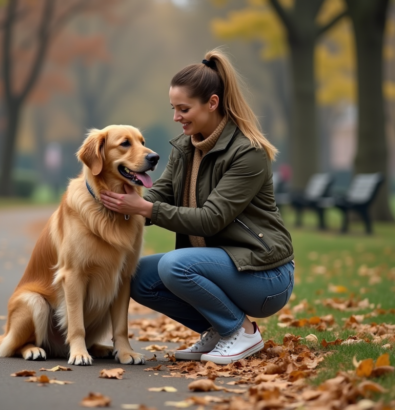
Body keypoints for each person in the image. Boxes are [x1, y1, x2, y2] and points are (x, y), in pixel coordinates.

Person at [100, 49, 294, 365]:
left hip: (266, 275)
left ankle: (241, 332)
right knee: (138, 278)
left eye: (183, 109)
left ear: (212, 103)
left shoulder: (248, 153)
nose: (176, 117)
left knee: (175, 265)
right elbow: (159, 192)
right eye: (173, 109)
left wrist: (145, 210)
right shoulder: (186, 147)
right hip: (224, 265)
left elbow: (211, 220)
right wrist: (117, 205)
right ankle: (220, 330)